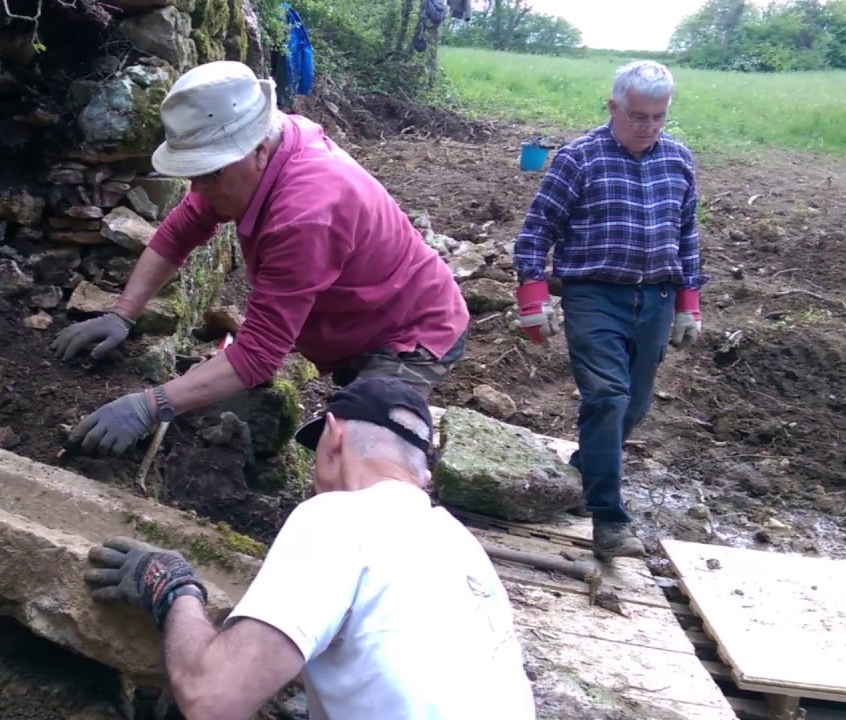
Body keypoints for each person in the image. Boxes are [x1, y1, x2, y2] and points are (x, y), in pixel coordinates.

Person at [51, 60, 469, 456]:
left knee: (360, 455)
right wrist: (121, 314)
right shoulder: (244, 161)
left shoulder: (306, 213)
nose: (198, 190)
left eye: (208, 174)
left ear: (259, 151)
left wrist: (147, 406)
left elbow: (258, 355)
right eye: (192, 174)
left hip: (410, 330)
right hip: (356, 317)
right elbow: (178, 232)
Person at [83, 377, 536, 719]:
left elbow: (213, 697)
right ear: (423, 473)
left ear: (334, 437)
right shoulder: (462, 545)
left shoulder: (339, 516)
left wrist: (174, 591)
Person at [511, 60, 709, 559]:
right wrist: (532, 299)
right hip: (595, 294)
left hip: (657, 298)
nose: (648, 126)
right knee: (606, 398)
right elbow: (537, 232)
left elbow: (687, 235)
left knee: (634, 406)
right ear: (614, 107)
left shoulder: (679, 161)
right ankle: (609, 519)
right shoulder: (578, 158)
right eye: (638, 116)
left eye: (658, 117)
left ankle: (585, 470)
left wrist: (690, 303)